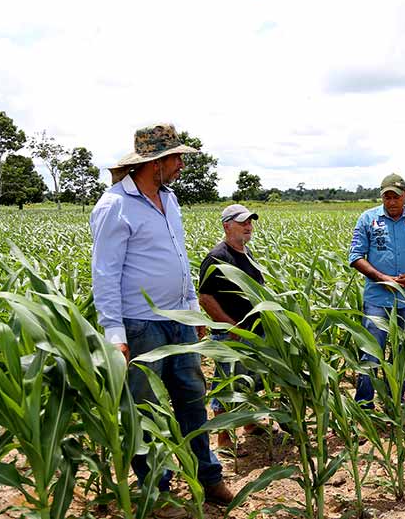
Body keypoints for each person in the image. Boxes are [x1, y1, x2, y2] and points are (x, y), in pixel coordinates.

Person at [90, 123, 234, 514]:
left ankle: (209, 477)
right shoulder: (114, 206)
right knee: (147, 410)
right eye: (177, 157)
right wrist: (114, 333)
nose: (182, 165)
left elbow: (179, 258)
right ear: (155, 162)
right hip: (141, 326)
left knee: (192, 398)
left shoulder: (169, 199)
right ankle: (158, 489)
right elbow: (104, 273)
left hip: (179, 321)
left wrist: (191, 305)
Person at [348, 173, 405, 405]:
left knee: (403, 352)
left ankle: (396, 402)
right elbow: (356, 257)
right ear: (382, 197)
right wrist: (383, 278)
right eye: (387, 197)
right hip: (377, 299)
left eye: (396, 196)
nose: (392, 201)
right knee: (371, 353)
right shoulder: (368, 219)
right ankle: (364, 405)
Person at [198, 203, 270, 447]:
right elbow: (205, 298)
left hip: (252, 331)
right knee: (226, 383)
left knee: (248, 380)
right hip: (231, 334)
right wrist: (231, 326)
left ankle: (249, 423)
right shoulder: (217, 257)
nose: (248, 226)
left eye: (250, 222)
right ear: (227, 226)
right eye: (242, 222)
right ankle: (224, 437)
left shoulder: (247, 253)